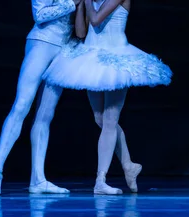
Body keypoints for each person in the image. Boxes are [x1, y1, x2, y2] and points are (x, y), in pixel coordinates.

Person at [42, 0, 172, 195]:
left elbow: (96, 20)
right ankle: (128, 165)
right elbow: (80, 33)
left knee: (110, 120)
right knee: (100, 119)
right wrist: (79, 8)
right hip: (92, 59)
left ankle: (100, 180)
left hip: (117, 60)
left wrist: (85, 2)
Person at [0, 0, 82, 195]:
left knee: (45, 115)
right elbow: (39, 15)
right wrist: (72, 3)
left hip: (66, 50)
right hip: (42, 42)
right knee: (22, 105)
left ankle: (38, 179)